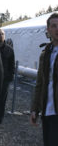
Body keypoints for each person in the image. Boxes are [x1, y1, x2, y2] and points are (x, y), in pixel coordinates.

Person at [30, 13, 58, 146]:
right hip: (48, 109)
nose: (57, 29)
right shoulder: (46, 53)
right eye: (54, 26)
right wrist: (35, 109)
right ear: (48, 30)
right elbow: (40, 84)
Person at [0, 29, 15, 128]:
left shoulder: (10, 49)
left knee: (1, 101)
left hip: (4, 80)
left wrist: (9, 78)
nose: (1, 36)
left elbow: (12, 65)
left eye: (2, 34)